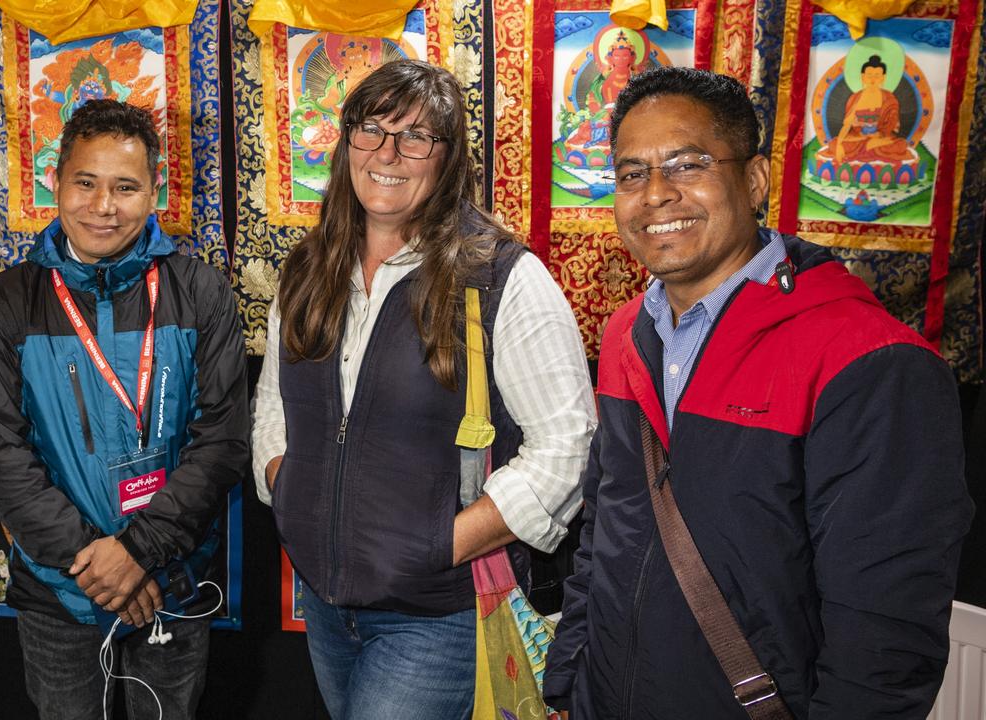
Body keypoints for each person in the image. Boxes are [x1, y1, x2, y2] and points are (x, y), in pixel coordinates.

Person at [542, 66, 972, 718]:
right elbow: (607, 531)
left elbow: (884, 639)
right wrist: (571, 681)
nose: (655, 194)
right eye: (631, 173)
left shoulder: (867, 363)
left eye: (687, 165)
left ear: (754, 180)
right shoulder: (630, 333)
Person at [252, 59, 596, 719]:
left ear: (448, 157)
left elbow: (568, 445)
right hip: (326, 608)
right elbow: (273, 407)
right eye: (372, 129)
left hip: (435, 617)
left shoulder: (502, 278)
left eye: (415, 136)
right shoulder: (306, 268)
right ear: (346, 139)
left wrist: (444, 543)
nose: (388, 152)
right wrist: (290, 490)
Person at [0, 98, 249, 719]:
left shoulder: (200, 291)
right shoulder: (6, 302)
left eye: (125, 187)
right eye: (85, 183)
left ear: (154, 192)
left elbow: (223, 442)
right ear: (55, 183)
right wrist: (99, 567)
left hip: (169, 584)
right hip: (58, 593)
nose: (103, 206)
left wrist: (140, 553)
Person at [827, 54, 912, 166]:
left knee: (901, 144)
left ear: (883, 77)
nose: (873, 79)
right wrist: (838, 145)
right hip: (858, 137)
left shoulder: (889, 98)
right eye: (869, 75)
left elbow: (892, 123)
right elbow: (847, 125)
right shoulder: (855, 98)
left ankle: (869, 147)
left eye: (877, 75)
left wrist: (879, 135)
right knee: (833, 143)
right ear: (863, 77)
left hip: (881, 138)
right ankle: (869, 148)